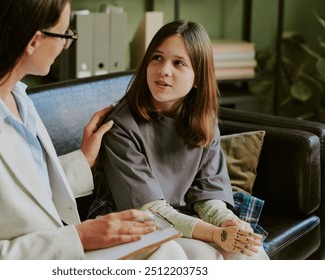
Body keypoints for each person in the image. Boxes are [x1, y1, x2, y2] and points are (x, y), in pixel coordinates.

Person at [0, 0, 188, 260]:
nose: (66, 46)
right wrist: (80, 237)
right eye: (65, 35)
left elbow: (29, 188)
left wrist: (84, 159)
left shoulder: (18, 99)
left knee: (167, 249)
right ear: (34, 41)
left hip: (59, 246)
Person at [88, 20, 269, 260]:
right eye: (157, 58)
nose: (164, 70)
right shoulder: (120, 126)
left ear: (197, 78)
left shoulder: (205, 121)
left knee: (248, 254)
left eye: (179, 63)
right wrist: (214, 234)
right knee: (207, 256)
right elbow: (149, 210)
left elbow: (207, 194)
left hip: (187, 215)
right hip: (134, 221)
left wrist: (228, 223)